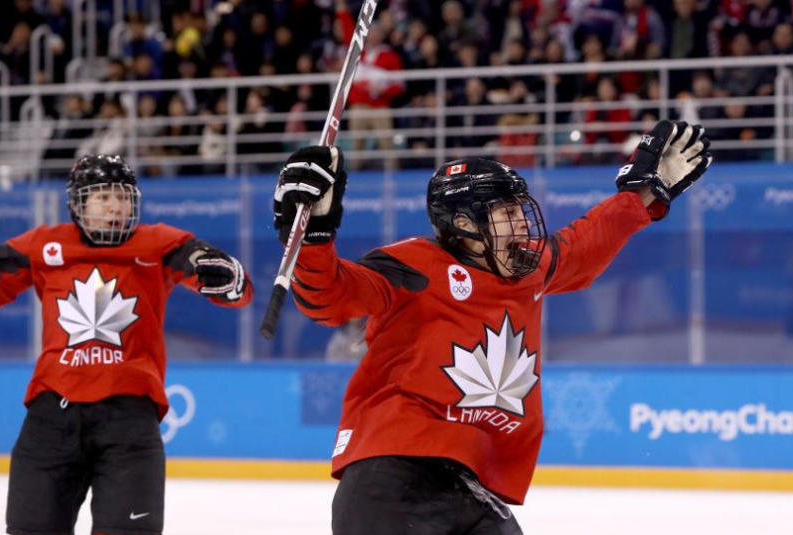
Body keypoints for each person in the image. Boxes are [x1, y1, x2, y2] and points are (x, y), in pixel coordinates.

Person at [272, 121, 712, 534]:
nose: (521, 219)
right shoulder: (412, 265)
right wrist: (313, 237)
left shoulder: (527, 268)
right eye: (505, 210)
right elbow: (330, 299)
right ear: (463, 224)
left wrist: (641, 195)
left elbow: (585, 244)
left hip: (468, 484)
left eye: (519, 206)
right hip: (392, 476)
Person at [0, 154, 253, 535]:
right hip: (51, 417)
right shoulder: (43, 246)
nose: (116, 206)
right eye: (103, 197)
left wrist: (229, 281)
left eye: (123, 196)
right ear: (79, 204)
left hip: (129, 420)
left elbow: (232, 286)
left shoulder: (160, 244)